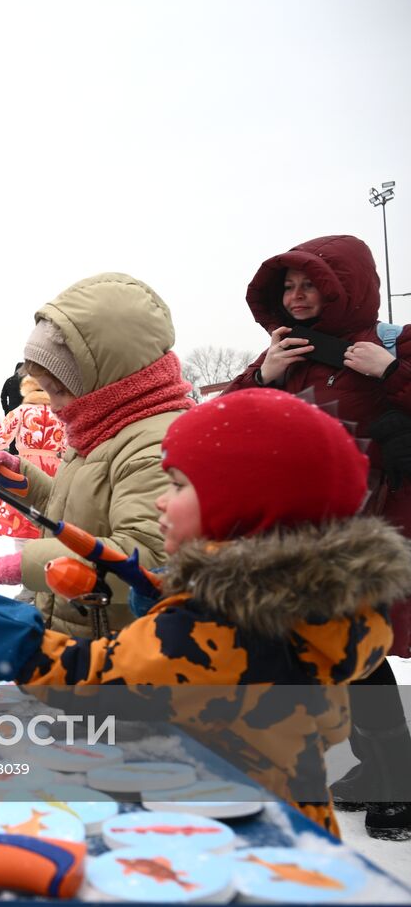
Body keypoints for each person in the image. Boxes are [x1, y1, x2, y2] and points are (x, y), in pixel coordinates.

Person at [0, 389, 408, 836]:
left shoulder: (218, 628)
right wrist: (165, 596)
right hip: (284, 829)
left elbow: (80, 675)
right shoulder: (294, 605)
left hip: (216, 843)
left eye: (179, 485)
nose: (160, 502)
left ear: (242, 506)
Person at [224, 233, 411, 839]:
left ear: (343, 287)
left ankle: (399, 780)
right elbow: (226, 428)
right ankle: (377, 765)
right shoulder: (286, 354)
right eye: (290, 287)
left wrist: (394, 372)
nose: (299, 297)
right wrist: (261, 376)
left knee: (364, 650)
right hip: (305, 530)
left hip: (376, 528)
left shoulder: (392, 345)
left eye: (311, 285)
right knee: (333, 650)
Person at [0, 274, 193, 636]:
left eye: (60, 391)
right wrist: (23, 479)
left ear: (103, 378)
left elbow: (148, 557)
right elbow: (80, 512)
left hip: (121, 649)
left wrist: (24, 565)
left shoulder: (155, 441)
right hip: (84, 629)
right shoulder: (100, 426)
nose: (56, 407)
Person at [0, 374, 67, 540]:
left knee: (22, 525)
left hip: (23, 469)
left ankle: (24, 563)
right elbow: (67, 450)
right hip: (55, 472)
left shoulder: (19, 412)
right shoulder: (62, 415)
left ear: (27, 389)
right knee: (52, 522)